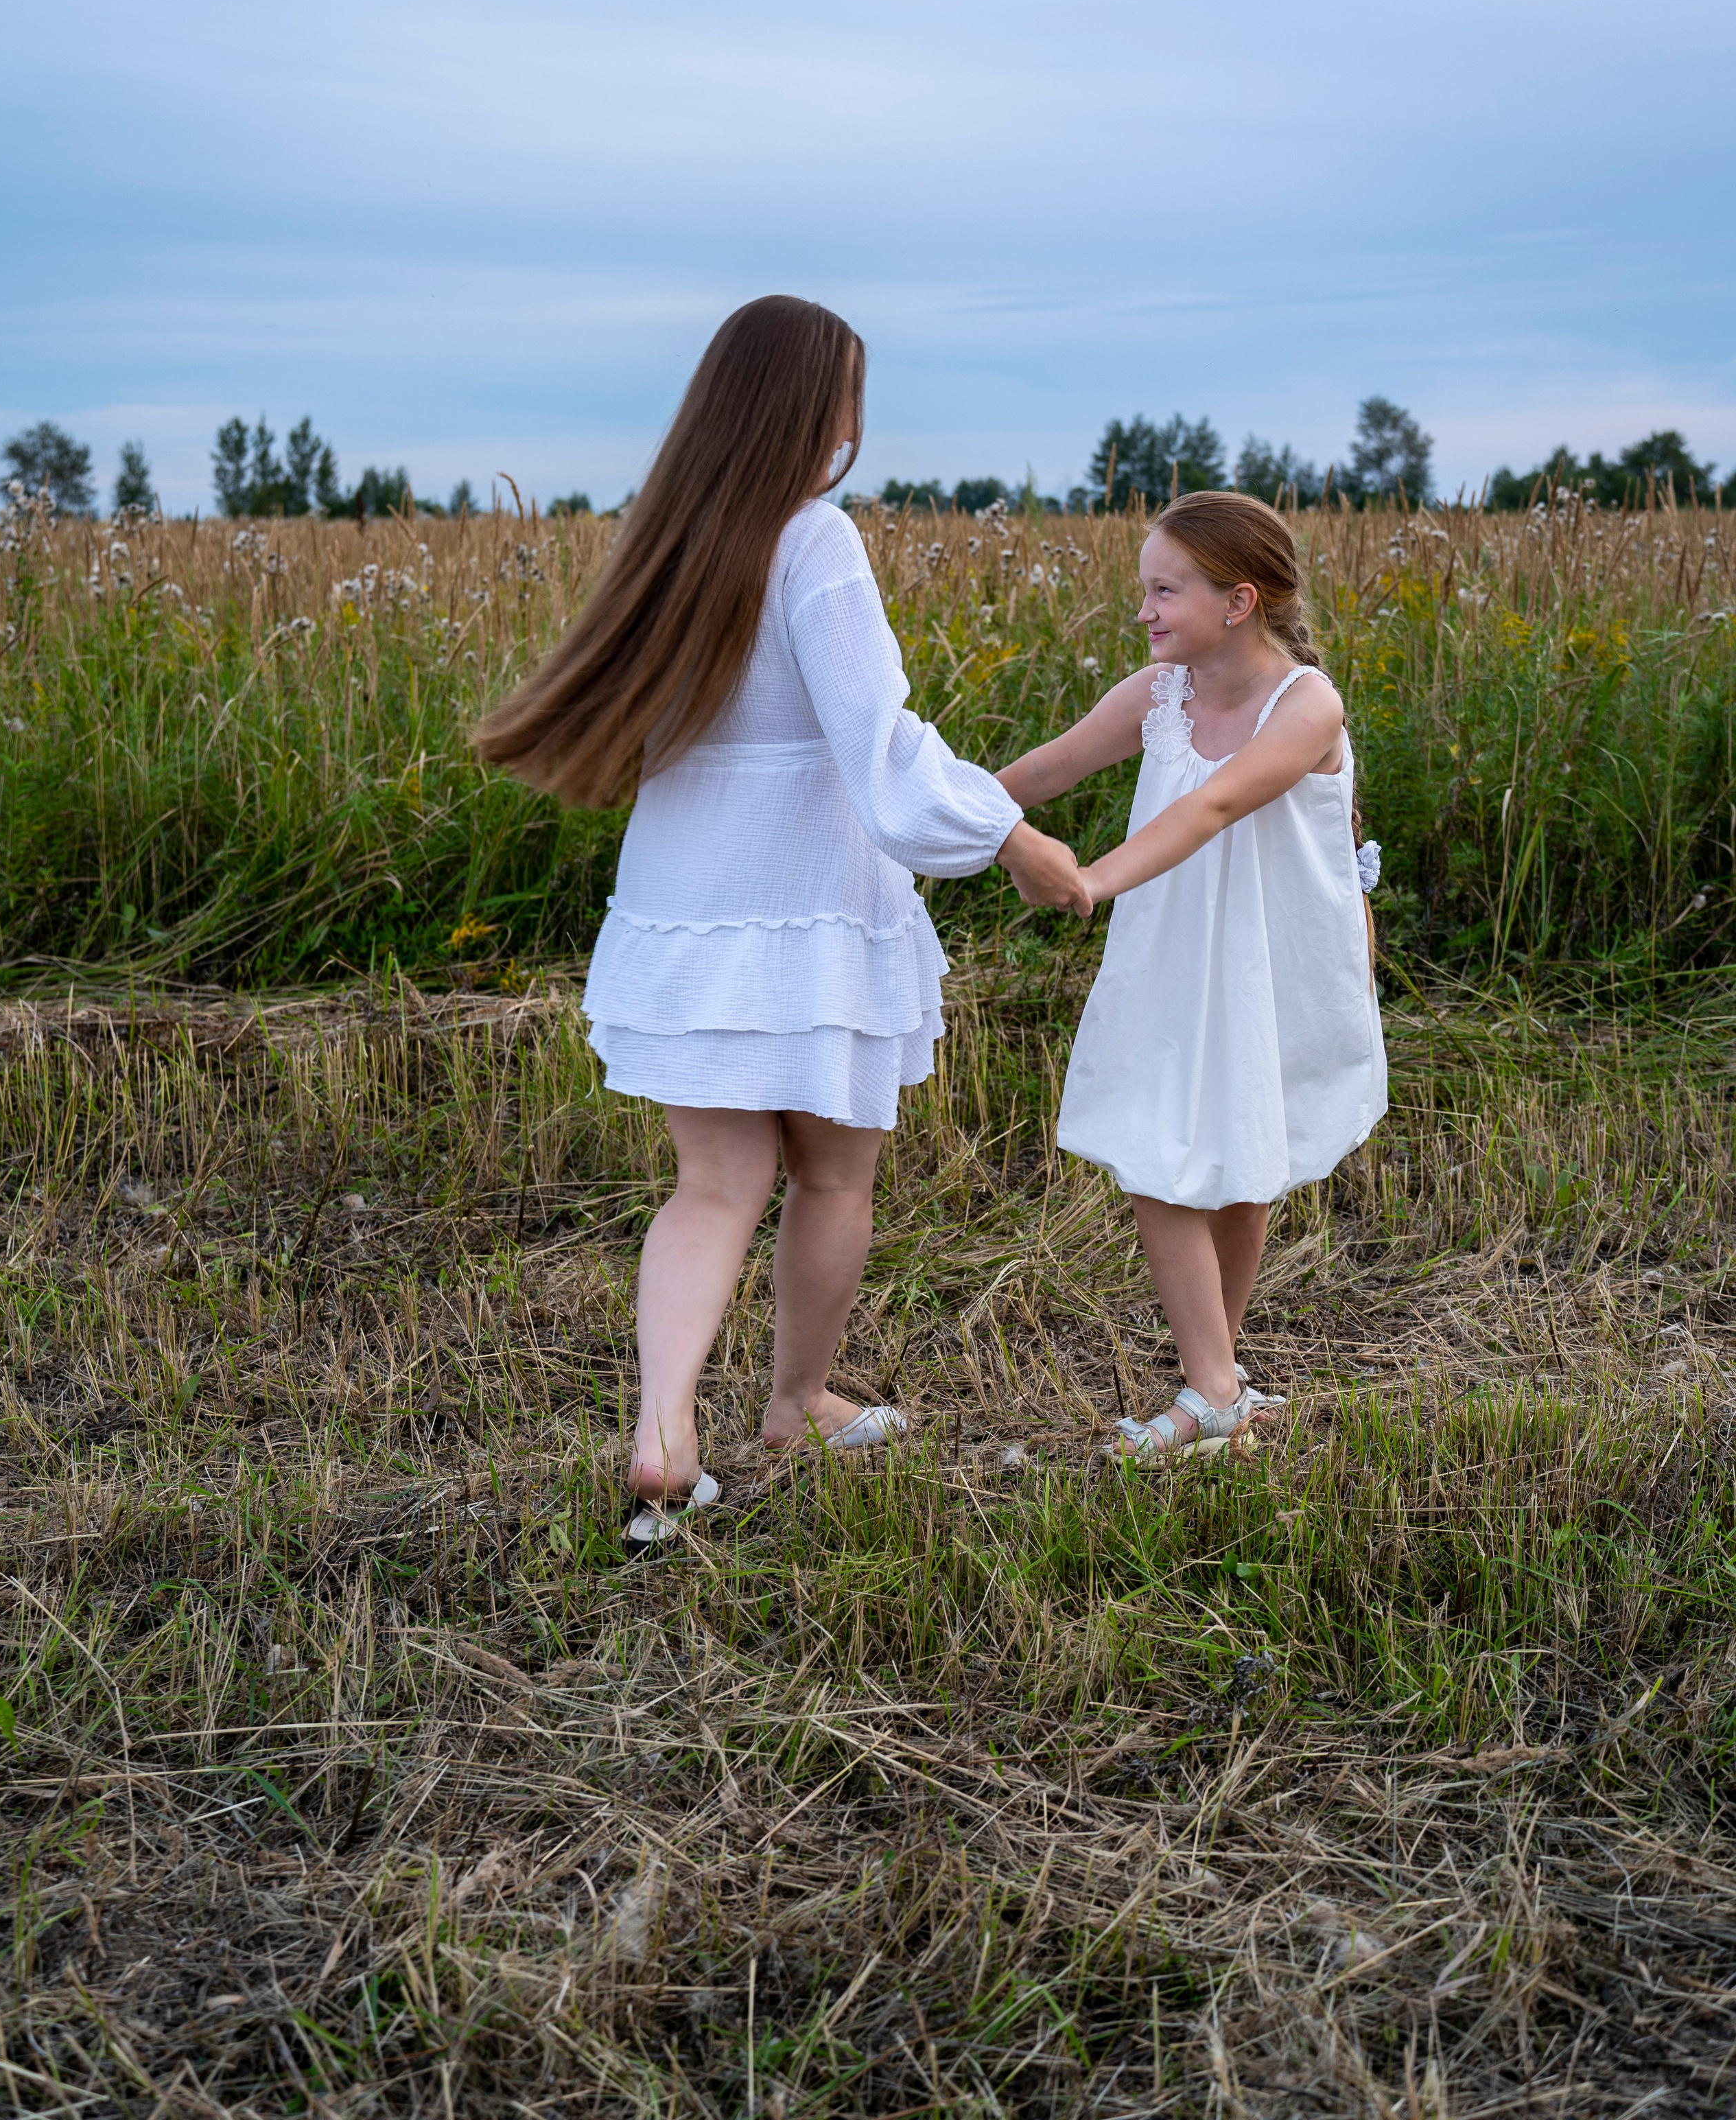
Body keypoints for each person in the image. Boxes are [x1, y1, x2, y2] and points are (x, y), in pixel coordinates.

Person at [475, 296, 1085, 1537]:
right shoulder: (815, 540)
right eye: (851, 397)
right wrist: (1012, 840)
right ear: (818, 410)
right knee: (832, 1176)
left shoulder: (675, 540)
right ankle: (795, 1402)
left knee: (712, 1184)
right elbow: (883, 747)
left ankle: (661, 1432)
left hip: (690, 913)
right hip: (808, 912)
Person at [997, 490, 1385, 1460]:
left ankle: (1214, 1384)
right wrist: (929, 812)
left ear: (1239, 600)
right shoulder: (1157, 694)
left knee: (1242, 1164)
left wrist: (1090, 880)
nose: (1145, 612)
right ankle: (1217, 1386)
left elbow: (1213, 809)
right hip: (1169, 959)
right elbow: (1041, 772)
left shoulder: (1308, 704)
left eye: (1165, 590)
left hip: (1269, 961)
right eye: (1145, 590)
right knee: (1156, 1157)